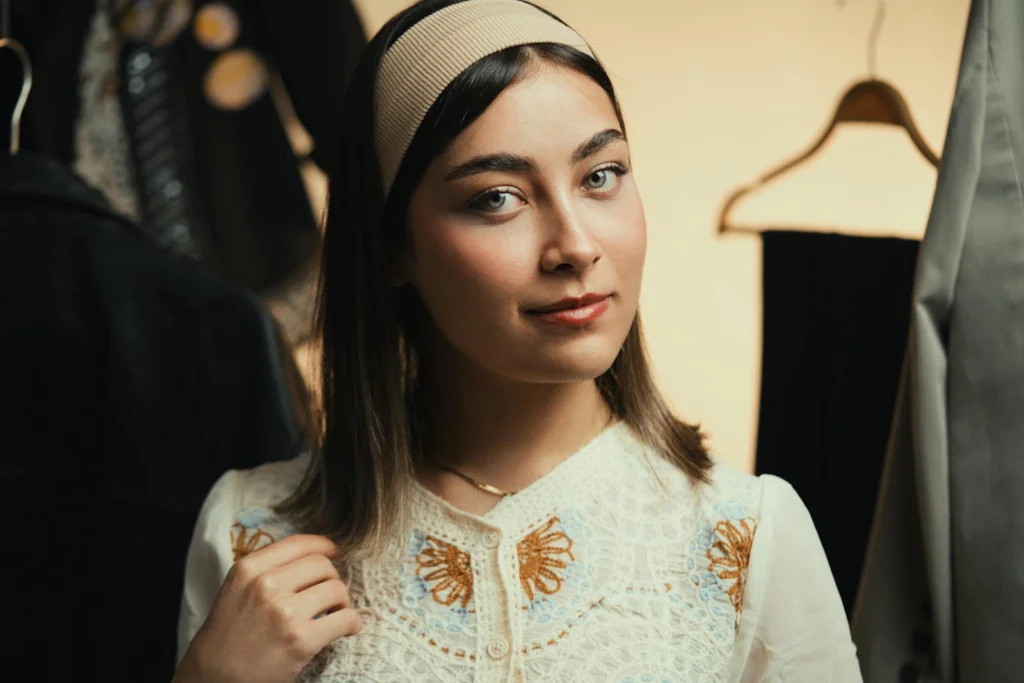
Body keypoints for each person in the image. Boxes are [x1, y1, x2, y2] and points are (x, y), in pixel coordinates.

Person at [172, 1, 862, 681]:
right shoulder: (249, 535)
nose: (576, 246)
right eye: (497, 197)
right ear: (390, 245)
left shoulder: (748, 537)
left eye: (600, 176)